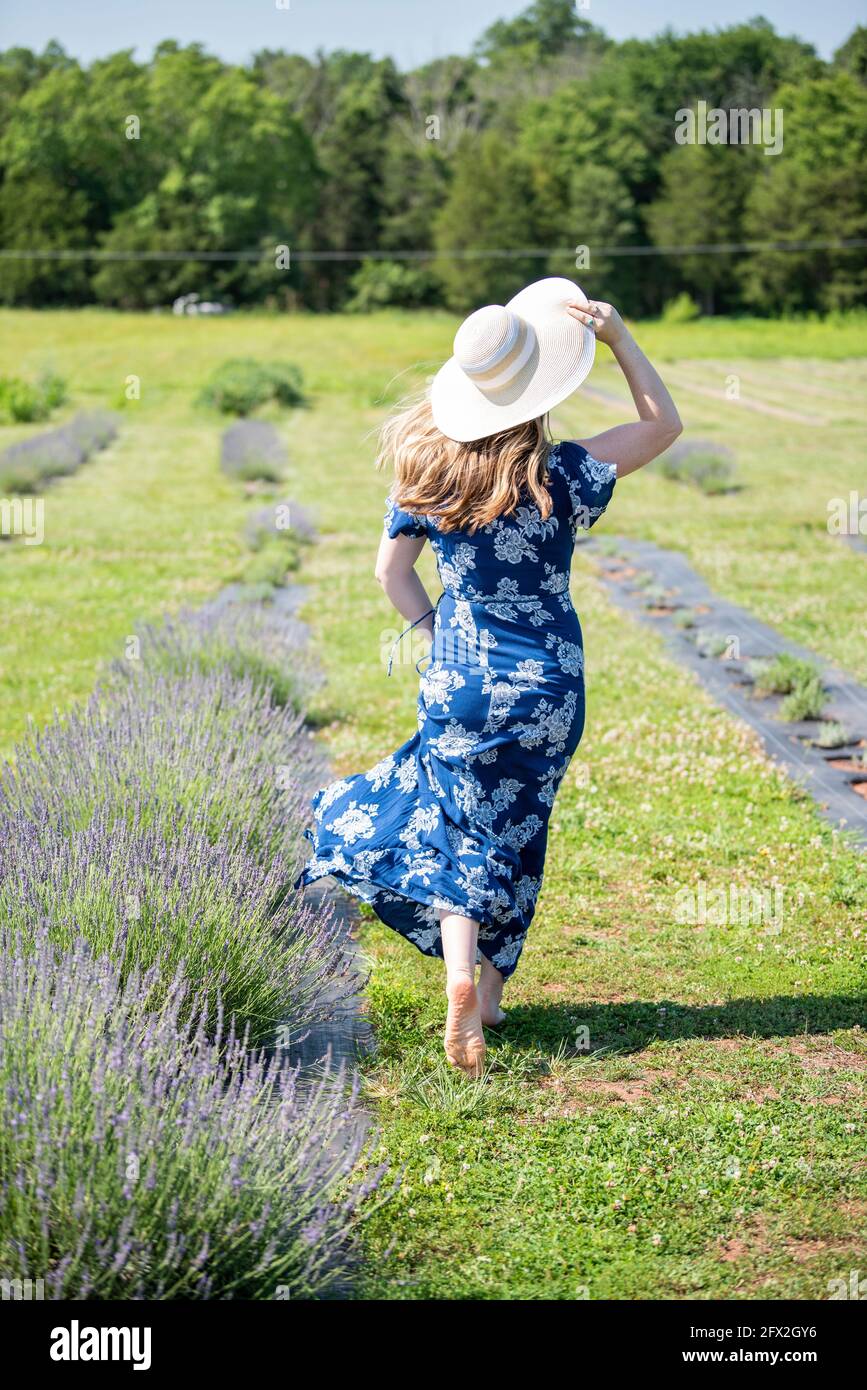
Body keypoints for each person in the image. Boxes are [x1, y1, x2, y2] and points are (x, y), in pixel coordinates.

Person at [300, 277, 682, 1076]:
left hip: (461, 680)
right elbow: (662, 425)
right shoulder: (563, 474)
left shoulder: (426, 472)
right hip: (548, 684)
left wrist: (437, 635)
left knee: (456, 822)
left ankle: (463, 978)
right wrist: (618, 339)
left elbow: (389, 573)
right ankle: (490, 992)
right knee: (518, 825)